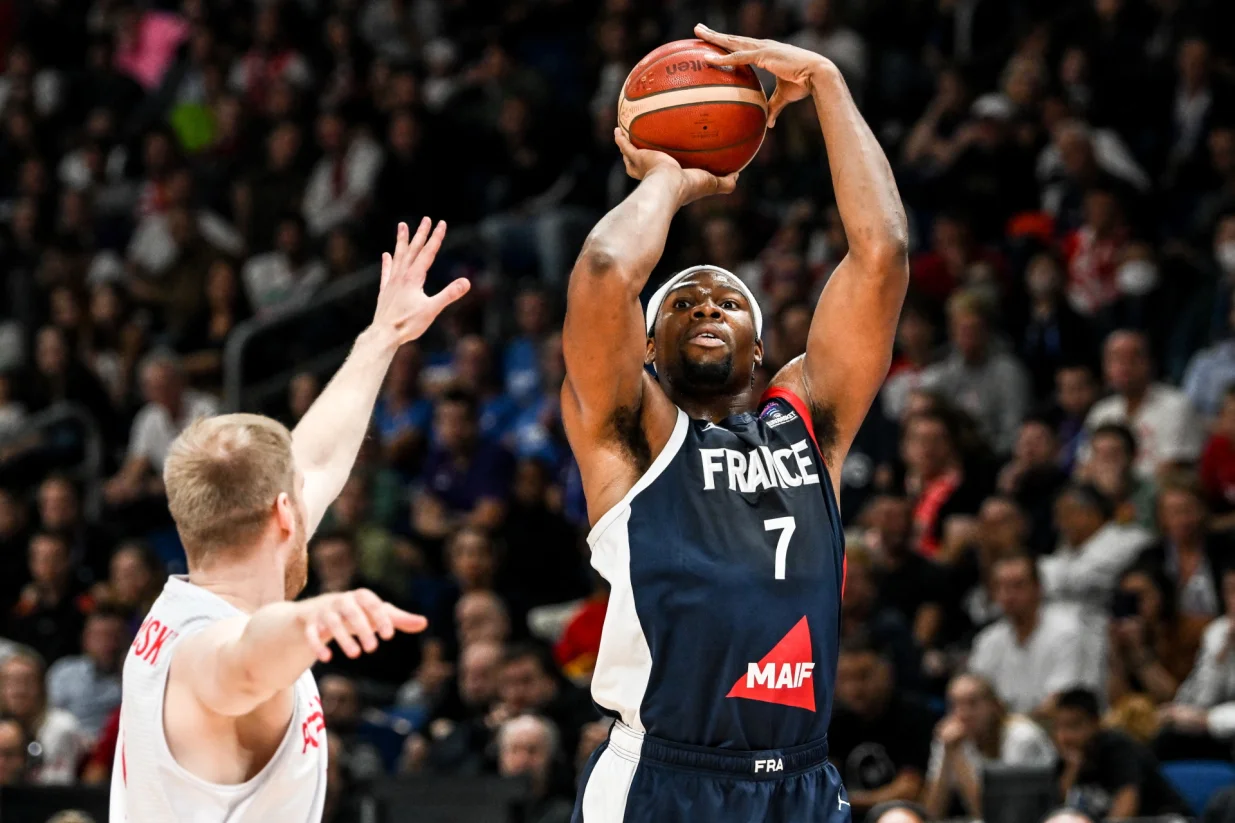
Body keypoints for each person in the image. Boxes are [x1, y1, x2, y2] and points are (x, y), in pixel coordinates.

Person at [563, 26, 908, 822]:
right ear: (646, 346)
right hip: (663, 779)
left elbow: (882, 253)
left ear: (761, 352)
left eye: (726, 300)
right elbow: (607, 271)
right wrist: (670, 181)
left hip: (802, 779)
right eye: (682, 302)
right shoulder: (630, 437)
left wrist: (825, 82)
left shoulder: (808, 424)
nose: (707, 306)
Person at [110, 219, 469, 821]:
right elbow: (242, 661)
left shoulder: (180, 606)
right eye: (297, 493)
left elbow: (317, 455)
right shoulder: (207, 651)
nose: (311, 493)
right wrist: (308, 620)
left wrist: (383, 337)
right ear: (284, 513)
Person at [968, 554, 1094, 716]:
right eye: (1002, 587)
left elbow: (1059, 702)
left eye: (1018, 586)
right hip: (1003, 734)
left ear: (1038, 588)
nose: (1009, 595)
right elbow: (977, 697)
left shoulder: (1067, 632)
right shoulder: (987, 641)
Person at [828, 634, 935, 817]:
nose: (854, 689)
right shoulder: (832, 721)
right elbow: (823, 784)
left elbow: (909, 789)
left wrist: (844, 799)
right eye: (845, 678)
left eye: (863, 676)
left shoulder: (914, 716)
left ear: (887, 672)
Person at [922, 673, 1055, 819]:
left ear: (994, 705)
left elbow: (995, 815)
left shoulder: (1022, 738)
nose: (963, 714)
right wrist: (948, 754)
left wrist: (957, 755)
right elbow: (932, 814)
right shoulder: (950, 738)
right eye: (954, 705)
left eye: (972, 703)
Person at [1052, 688, 1189, 820]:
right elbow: (1065, 809)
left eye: (1074, 726)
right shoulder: (1068, 757)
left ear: (1095, 723)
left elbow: (1126, 804)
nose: (1064, 736)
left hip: (1162, 818)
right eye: (1059, 727)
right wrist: (1072, 770)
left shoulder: (1118, 748)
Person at [0, 649, 88, 785]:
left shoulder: (61, 727)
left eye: (28, 682)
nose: (19, 690)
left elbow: (56, 787)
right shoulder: (3, 728)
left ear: (42, 687)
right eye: (11, 682)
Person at [498, 714, 574, 823]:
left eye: (532, 751)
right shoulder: (480, 809)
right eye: (514, 750)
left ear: (550, 757)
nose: (522, 760)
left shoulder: (567, 815)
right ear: (501, 756)